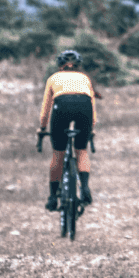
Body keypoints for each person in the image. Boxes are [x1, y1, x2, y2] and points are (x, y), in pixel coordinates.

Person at [38, 50, 96, 212]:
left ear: (59, 65)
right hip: (84, 106)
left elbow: (46, 108)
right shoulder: (85, 78)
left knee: (58, 153)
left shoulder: (53, 78)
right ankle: (85, 188)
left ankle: (51, 197)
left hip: (61, 105)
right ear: (78, 65)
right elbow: (92, 105)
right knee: (81, 150)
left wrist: (42, 127)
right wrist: (92, 127)